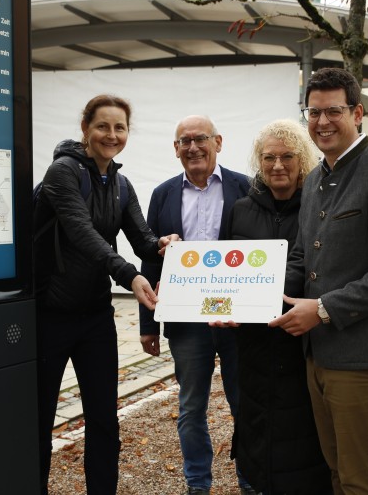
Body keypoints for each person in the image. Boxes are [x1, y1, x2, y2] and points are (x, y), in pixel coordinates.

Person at [268, 68, 368, 494]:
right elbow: (302, 256)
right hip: (321, 352)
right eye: (313, 112)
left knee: (358, 479)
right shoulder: (316, 178)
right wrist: (251, 300)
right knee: (335, 470)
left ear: (357, 113)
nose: (322, 122)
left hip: (365, 355)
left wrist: (320, 310)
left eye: (333, 111)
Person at [34, 94, 178, 495]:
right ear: (85, 129)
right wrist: (129, 275)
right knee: (40, 418)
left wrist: (162, 244)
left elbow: (142, 239)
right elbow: (85, 235)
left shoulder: (121, 182)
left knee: (103, 419)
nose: (111, 135)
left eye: (120, 128)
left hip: (95, 317)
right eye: (103, 126)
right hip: (50, 313)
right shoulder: (61, 174)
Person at [139, 115, 254, 495]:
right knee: (190, 408)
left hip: (237, 319)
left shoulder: (248, 188)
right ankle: (198, 484)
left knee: (245, 403)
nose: (192, 147)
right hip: (187, 320)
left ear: (218, 142)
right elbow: (150, 259)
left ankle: (250, 481)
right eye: (184, 141)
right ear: (175, 149)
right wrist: (147, 323)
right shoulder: (163, 194)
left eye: (200, 139)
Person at [217, 119, 332, 494]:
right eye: (269, 158)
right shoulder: (239, 210)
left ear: (303, 160)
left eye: (287, 156)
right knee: (255, 427)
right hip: (252, 346)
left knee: (302, 437)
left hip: (301, 344)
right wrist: (220, 308)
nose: (277, 165)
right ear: (259, 162)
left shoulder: (318, 208)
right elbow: (223, 271)